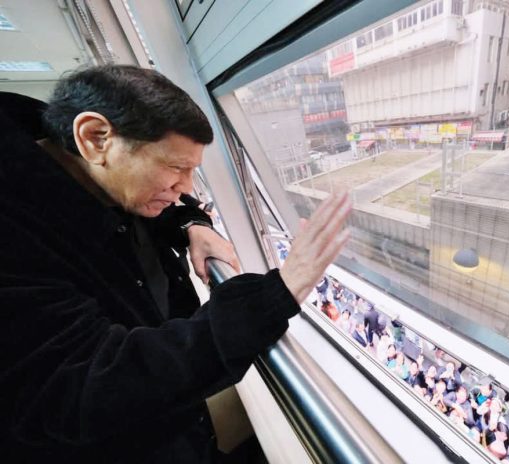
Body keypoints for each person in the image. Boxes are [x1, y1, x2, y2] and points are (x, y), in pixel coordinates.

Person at [0, 66, 352, 463]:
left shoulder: (82, 171)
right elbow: (87, 385)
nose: (186, 188)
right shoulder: (14, 234)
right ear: (96, 138)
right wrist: (275, 295)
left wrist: (191, 223)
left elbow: (136, 198)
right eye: (175, 168)